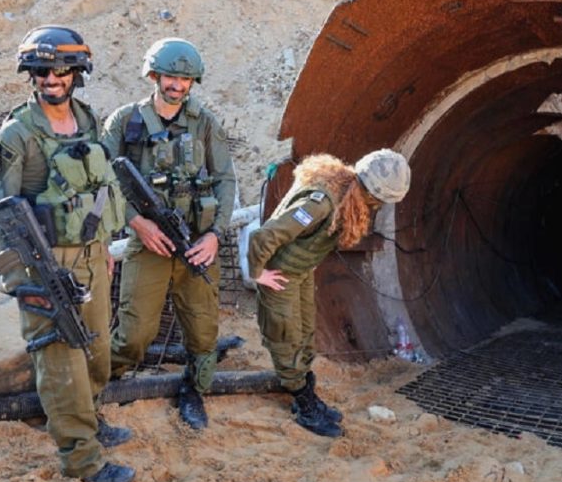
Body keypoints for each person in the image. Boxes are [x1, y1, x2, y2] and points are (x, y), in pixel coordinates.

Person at [0, 25, 135, 482]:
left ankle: (90, 419)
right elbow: (0, 214)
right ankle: (82, 459)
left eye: (61, 71)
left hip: (90, 255)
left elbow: (97, 187)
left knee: (96, 351)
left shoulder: (88, 121)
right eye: (41, 72)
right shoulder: (17, 134)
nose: (51, 79)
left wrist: (103, 246)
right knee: (60, 361)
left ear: (77, 73)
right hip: (45, 263)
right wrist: (21, 282)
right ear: (30, 75)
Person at [102, 37, 237, 430]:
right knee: (134, 334)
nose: (177, 85)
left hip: (196, 243)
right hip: (149, 244)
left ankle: (194, 390)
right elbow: (103, 181)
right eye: (170, 77)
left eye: (185, 79)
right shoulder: (125, 121)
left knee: (203, 333)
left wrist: (214, 235)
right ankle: (97, 384)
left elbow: (225, 179)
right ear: (154, 76)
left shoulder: (205, 123)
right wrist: (136, 222)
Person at [247, 149, 411, 437]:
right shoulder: (321, 203)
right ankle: (303, 403)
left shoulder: (344, 191)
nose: (377, 206)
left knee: (306, 335)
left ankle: (306, 390)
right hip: (280, 276)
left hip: (298, 272)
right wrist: (257, 273)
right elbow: (265, 235)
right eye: (378, 200)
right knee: (286, 338)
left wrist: (306, 261)